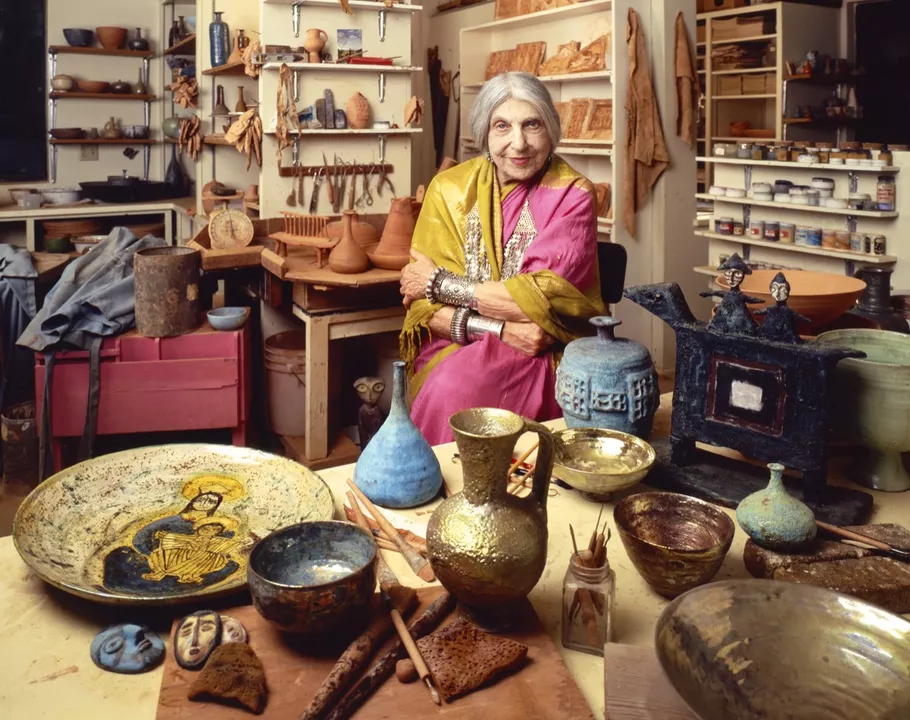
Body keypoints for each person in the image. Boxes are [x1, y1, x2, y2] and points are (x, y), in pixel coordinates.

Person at [399, 72, 605, 445]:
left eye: (532, 124)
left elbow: (537, 306)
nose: (519, 143)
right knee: (449, 385)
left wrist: (439, 283)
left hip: (544, 349)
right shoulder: (449, 190)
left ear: (551, 129)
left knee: (458, 388)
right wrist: (503, 330)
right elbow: (423, 309)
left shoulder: (573, 195)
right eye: (502, 126)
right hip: (462, 344)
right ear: (485, 134)